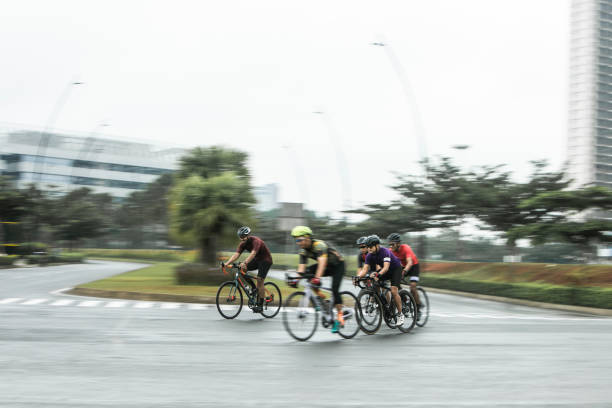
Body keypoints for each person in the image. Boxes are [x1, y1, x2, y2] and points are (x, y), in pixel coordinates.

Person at [290, 225, 346, 333]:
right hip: (326, 266)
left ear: (308, 238)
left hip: (338, 266)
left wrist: (317, 278)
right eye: (296, 240)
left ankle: (340, 317)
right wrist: (295, 279)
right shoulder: (303, 251)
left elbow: (322, 263)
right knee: (308, 273)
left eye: (300, 240)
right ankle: (322, 299)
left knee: (334, 289)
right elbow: (301, 269)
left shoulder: (319, 245)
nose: (298, 243)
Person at [357, 234, 405, 326]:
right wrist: (358, 277)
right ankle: (385, 305)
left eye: (370, 246)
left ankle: (400, 314)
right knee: (374, 282)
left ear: (377, 245)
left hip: (395, 269)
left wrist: (378, 274)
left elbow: (386, 267)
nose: (369, 249)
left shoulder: (385, 252)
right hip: (385, 270)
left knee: (394, 291)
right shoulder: (369, 255)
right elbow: (365, 269)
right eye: (367, 247)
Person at [225, 226, 273, 312]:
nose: (242, 239)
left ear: (248, 235)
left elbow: (253, 254)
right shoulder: (242, 244)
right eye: (240, 237)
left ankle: (260, 306)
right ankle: (254, 288)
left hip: (266, 260)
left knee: (260, 280)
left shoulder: (256, 241)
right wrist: (227, 263)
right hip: (257, 260)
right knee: (242, 269)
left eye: (243, 236)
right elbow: (236, 255)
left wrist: (245, 263)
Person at [387, 233, 422, 310]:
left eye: (392, 244)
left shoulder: (406, 248)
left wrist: (404, 271)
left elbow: (410, 262)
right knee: (394, 283)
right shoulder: (390, 251)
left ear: (398, 243)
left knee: (412, 287)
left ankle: (418, 306)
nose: (391, 246)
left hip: (413, 266)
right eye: (389, 245)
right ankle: (404, 299)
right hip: (402, 266)